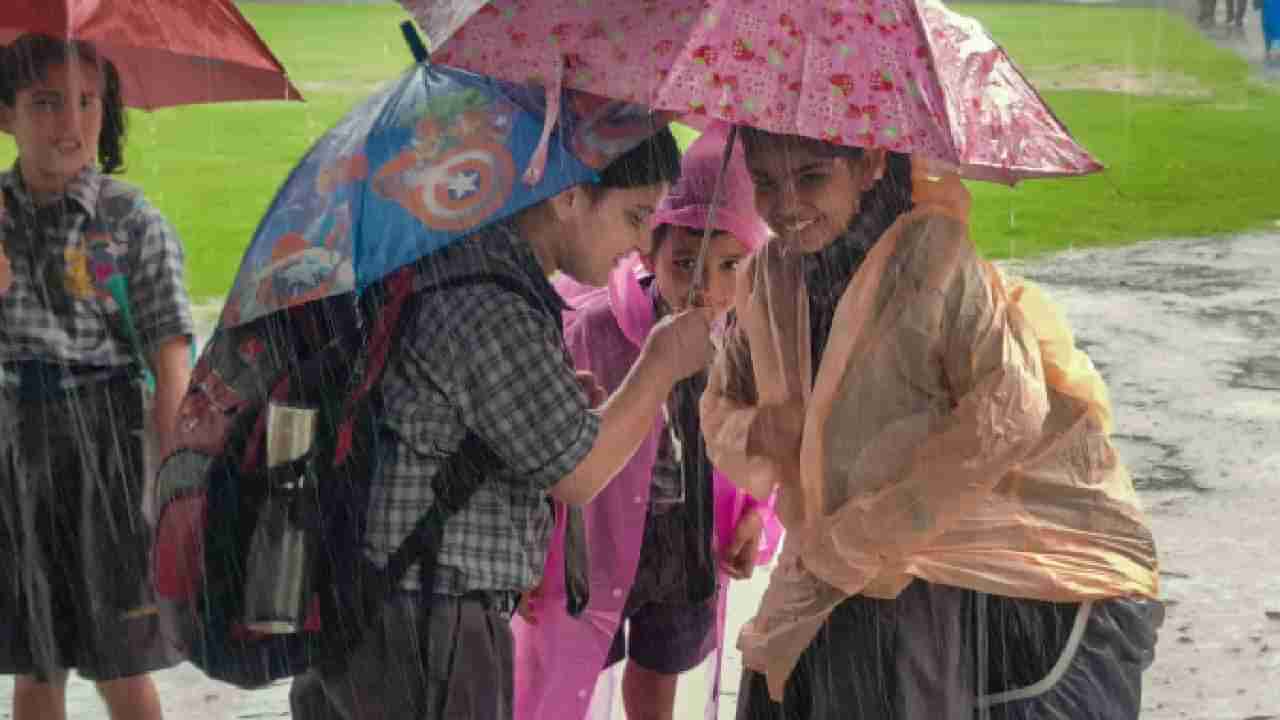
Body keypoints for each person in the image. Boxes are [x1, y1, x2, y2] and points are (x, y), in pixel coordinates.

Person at [699, 128, 1163, 719]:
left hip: (954, 564)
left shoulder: (934, 261)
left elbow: (1010, 409)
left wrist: (870, 530)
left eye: (812, 177)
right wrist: (759, 431)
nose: (785, 206)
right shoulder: (768, 276)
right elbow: (723, 401)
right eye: (764, 182)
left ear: (867, 163)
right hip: (841, 558)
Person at [287, 124, 721, 720]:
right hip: (426, 623)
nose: (646, 243)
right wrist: (661, 364)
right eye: (635, 216)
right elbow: (579, 471)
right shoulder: (492, 302)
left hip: (370, 605)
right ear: (570, 195)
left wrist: (551, 405)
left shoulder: (462, 264)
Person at [511, 127, 781, 720]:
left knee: (658, 675)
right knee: (566, 670)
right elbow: (543, 452)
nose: (708, 286)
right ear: (647, 254)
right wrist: (531, 555)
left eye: (730, 265)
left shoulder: (751, 341)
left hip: (686, 545)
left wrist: (754, 513)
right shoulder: (592, 331)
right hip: (593, 547)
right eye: (685, 264)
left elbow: (765, 444)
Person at [0, 34, 192, 720]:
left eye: (87, 103)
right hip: (13, 449)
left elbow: (172, 351)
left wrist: (172, 475)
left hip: (108, 446)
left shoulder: (131, 221)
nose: (71, 124)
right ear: (7, 114)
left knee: (123, 661)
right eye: (45, 104)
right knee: (34, 663)